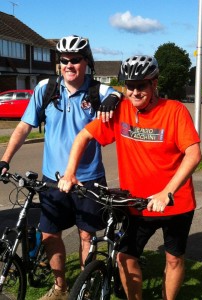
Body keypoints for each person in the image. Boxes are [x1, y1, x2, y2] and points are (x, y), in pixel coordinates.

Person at [58, 55, 202, 300]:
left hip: (175, 203)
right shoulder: (119, 109)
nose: (135, 92)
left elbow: (194, 154)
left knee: (174, 259)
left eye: (141, 85)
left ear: (154, 83)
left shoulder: (174, 110)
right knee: (125, 257)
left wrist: (167, 192)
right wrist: (70, 172)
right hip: (135, 203)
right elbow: (83, 136)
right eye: (129, 85)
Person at [0, 35, 122, 300]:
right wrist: (5, 159)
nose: (69, 65)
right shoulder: (46, 88)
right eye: (64, 60)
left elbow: (117, 93)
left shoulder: (96, 91)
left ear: (86, 62)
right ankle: (60, 287)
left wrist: (115, 98)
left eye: (75, 60)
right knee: (49, 234)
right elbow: (23, 127)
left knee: (86, 236)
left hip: (88, 180)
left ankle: (85, 289)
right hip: (52, 180)